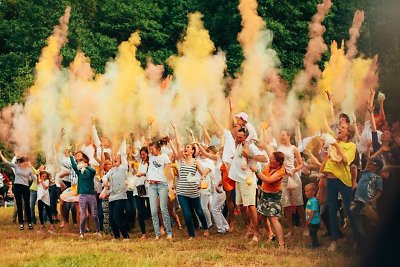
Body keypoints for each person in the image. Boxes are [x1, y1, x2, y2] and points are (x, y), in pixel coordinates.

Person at [228, 127, 268, 245]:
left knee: (251, 206)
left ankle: (256, 234)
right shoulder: (239, 145)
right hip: (239, 180)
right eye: (237, 136)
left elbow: (264, 158)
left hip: (248, 180)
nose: (237, 138)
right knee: (241, 206)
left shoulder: (251, 146)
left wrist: (250, 155)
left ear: (246, 137)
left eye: (240, 137)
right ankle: (250, 228)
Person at [321, 123, 357, 251]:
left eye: (343, 128)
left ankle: (357, 239)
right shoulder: (333, 141)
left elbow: (346, 160)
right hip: (331, 181)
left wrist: (336, 145)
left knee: (349, 210)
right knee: (332, 210)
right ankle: (335, 240)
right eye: (339, 127)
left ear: (348, 133)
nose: (339, 129)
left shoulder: (351, 146)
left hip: (344, 181)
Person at [171, 122, 210, 239]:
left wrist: (199, 181)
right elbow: (178, 144)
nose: (185, 149)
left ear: (193, 151)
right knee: (187, 215)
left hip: (193, 192)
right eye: (185, 147)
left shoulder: (196, 162)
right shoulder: (180, 160)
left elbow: (203, 174)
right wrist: (176, 129)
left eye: (188, 147)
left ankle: (206, 228)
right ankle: (191, 235)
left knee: (199, 212)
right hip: (182, 192)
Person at [251, 151, 286, 249]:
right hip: (265, 194)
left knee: (274, 219)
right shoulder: (270, 165)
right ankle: (271, 235)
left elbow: (268, 180)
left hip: (274, 197)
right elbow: (263, 175)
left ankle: (282, 244)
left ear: (278, 162)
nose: (270, 160)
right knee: (262, 217)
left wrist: (256, 171)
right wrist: (260, 185)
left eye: (272, 158)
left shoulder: (281, 171)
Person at [352, 157, 383, 250]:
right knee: (358, 223)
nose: (368, 164)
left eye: (371, 164)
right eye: (368, 163)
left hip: (368, 204)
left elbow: (379, 191)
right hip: (358, 202)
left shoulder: (378, 178)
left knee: (366, 225)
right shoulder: (364, 173)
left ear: (376, 167)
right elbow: (368, 159)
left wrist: (372, 200)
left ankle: (364, 244)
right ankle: (360, 243)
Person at [101, 138, 129, 240]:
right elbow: (104, 177)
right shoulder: (112, 170)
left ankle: (126, 236)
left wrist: (123, 140)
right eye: (115, 157)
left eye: (118, 157)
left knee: (117, 217)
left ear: (121, 160)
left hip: (121, 196)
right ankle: (116, 237)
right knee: (112, 219)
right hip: (112, 196)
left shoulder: (123, 168)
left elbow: (123, 154)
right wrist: (104, 181)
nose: (116, 158)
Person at [69, 151, 101, 239]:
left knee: (94, 214)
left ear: (85, 162)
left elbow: (94, 171)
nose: (80, 164)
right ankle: (81, 233)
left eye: (82, 162)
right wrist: (71, 156)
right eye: (80, 163)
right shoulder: (79, 172)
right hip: (82, 195)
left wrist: (87, 166)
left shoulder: (90, 171)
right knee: (83, 215)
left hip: (91, 195)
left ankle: (98, 231)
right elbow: (74, 164)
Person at [0, 151, 35, 230]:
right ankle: (21, 223)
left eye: (27, 162)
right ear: (21, 162)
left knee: (27, 205)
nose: (26, 163)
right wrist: (1, 154)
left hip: (25, 187)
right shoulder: (16, 167)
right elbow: (6, 162)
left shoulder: (29, 170)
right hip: (17, 187)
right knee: (19, 205)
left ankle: (29, 223)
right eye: (25, 162)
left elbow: (34, 179)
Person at [147, 141, 173, 240]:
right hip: (152, 186)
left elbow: (168, 171)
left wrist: (171, 186)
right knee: (153, 211)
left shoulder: (164, 157)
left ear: (158, 149)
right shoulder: (150, 156)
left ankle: (169, 232)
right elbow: (148, 142)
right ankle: (157, 234)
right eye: (150, 149)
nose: (151, 151)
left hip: (162, 185)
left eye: (152, 149)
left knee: (163, 209)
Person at [304, 183, 320, 249]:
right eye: (305, 191)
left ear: (313, 192)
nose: (305, 193)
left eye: (307, 191)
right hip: (310, 221)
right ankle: (315, 243)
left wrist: (309, 220)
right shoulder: (310, 200)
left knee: (313, 233)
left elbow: (313, 211)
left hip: (314, 221)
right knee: (312, 233)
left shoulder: (313, 201)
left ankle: (314, 245)